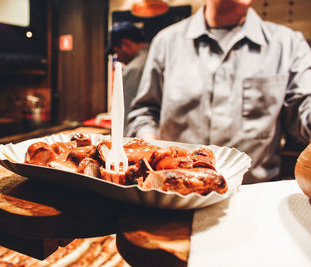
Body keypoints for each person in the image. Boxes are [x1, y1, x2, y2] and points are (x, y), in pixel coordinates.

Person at [126, 0, 311, 184]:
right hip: (173, 193)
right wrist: (153, 151)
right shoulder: (166, 42)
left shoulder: (289, 45)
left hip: (250, 195)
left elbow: (304, 110)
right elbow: (144, 112)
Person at [106, 22, 149, 135]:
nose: (118, 58)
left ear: (126, 44)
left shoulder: (134, 69)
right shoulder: (157, 56)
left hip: (141, 140)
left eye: (116, 52)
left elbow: (126, 114)